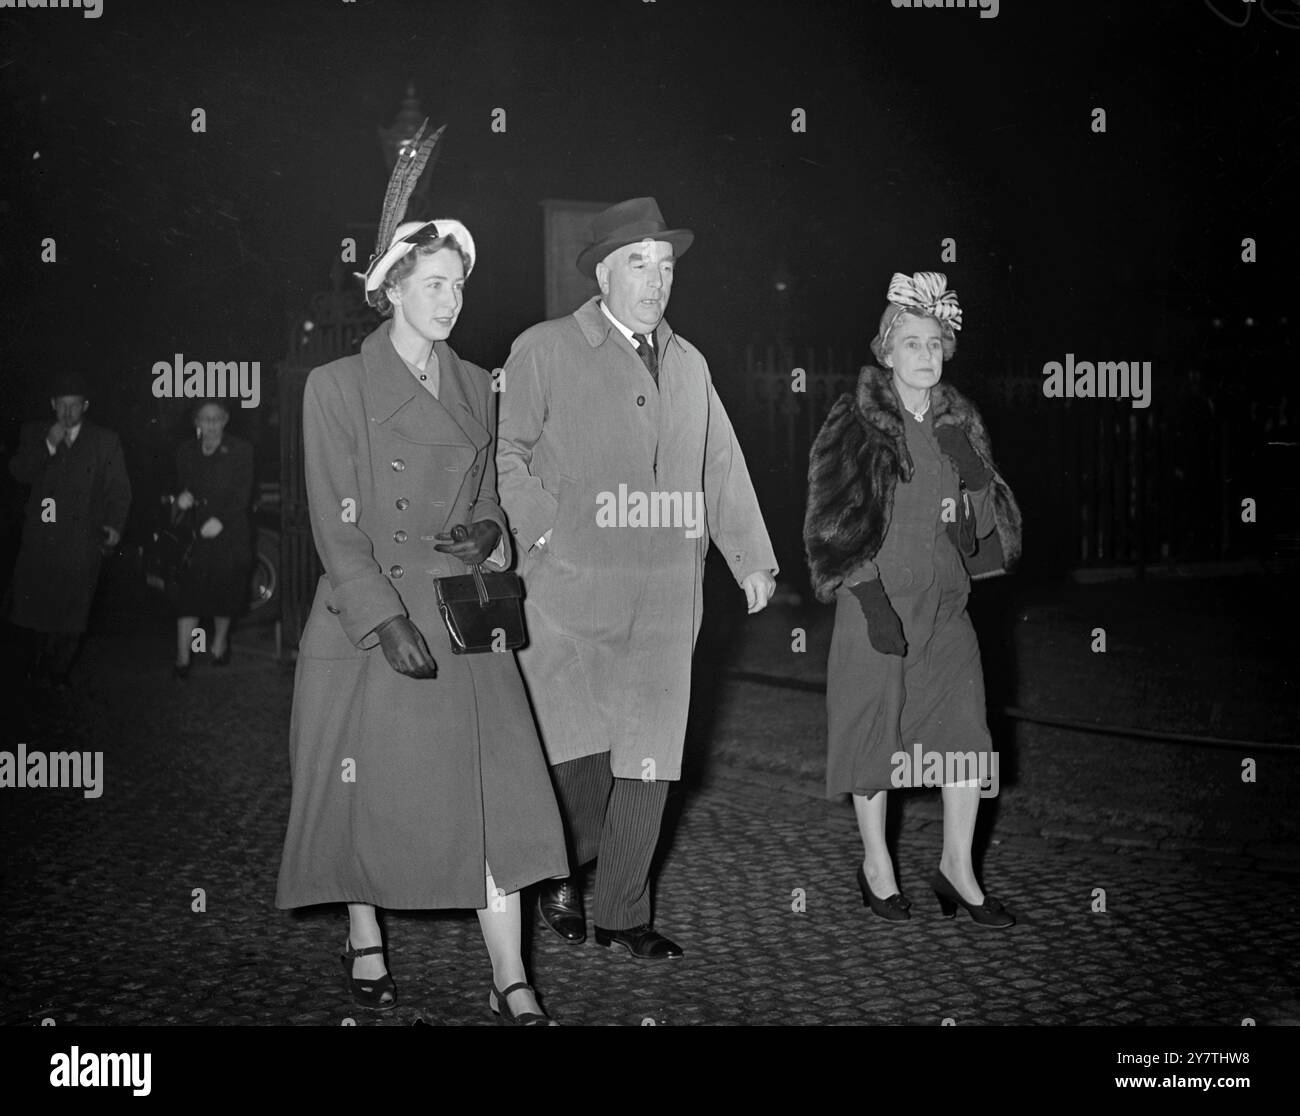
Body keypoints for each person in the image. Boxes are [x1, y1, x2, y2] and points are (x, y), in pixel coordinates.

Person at [275, 213, 568, 1024]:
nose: (451, 300)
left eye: (459, 286)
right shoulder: (334, 387)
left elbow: (486, 501)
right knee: (364, 795)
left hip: (460, 618)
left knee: (497, 796)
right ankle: (364, 931)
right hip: (374, 618)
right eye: (434, 284)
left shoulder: (478, 383)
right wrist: (381, 617)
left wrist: (490, 534)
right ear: (391, 290)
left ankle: (510, 974)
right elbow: (336, 528)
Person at [497, 197, 778, 959]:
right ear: (602, 273)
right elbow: (507, 453)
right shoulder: (544, 349)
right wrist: (544, 526)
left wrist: (749, 557)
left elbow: (722, 465)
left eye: (666, 267)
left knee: (649, 762)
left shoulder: (690, 364)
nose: (655, 282)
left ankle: (623, 913)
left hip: (664, 597)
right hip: (566, 594)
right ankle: (560, 864)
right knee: (579, 757)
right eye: (638, 264)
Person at [804, 272, 1022, 927]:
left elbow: (986, 540)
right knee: (874, 735)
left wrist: (978, 476)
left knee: (965, 738)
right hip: (876, 604)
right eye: (910, 343)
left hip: (945, 608)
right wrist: (868, 597)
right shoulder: (858, 419)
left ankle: (957, 869)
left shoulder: (961, 422)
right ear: (886, 351)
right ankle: (877, 866)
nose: (924, 355)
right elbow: (830, 518)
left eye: (934, 343)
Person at [6, 372, 131, 687]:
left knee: (74, 614)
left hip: (82, 541)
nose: (67, 413)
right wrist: (48, 445)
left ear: (85, 406)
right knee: (34, 609)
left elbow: (119, 489)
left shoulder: (105, 440)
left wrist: (114, 525)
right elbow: (19, 472)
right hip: (41, 541)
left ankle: (58, 671)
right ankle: (35, 668)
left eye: (74, 406)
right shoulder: (34, 433)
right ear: (52, 405)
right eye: (61, 405)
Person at [171, 399, 254, 678]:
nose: (211, 425)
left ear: (226, 419)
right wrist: (182, 499)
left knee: (224, 594)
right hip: (197, 535)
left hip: (229, 533)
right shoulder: (185, 450)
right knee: (189, 596)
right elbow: (182, 487)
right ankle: (183, 657)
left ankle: (219, 641)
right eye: (205, 419)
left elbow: (243, 493)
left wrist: (223, 520)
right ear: (196, 422)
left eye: (217, 418)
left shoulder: (241, 450)